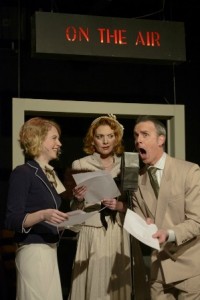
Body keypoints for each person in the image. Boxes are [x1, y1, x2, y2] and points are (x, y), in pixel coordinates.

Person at [132, 115, 200, 299]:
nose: (139, 140)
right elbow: (141, 217)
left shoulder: (189, 171)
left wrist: (168, 234)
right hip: (158, 269)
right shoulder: (138, 180)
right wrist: (143, 223)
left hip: (189, 266)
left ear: (161, 139)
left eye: (145, 134)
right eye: (136, 135)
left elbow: (196, 221)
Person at [65, 114, 132, 300]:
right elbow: (74, 206)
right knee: (95, 286)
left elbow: (136, 203)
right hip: (92, 231)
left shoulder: (127, 163)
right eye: (100, 136)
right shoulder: (80, 164)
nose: (105, 141)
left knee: (117, 285)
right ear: (92, 139)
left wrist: (119, 205)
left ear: (116, 138)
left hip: (117, 231)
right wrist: (78, 198)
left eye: (110, 136)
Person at [5, 117, 69, 300]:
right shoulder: (23, 172)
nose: (59, 143)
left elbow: (53, 212)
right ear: (38, 140)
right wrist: (43, 215)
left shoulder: (50, 173)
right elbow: (12, 219)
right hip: (33, 250)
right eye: (54, 138)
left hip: (49, 249)